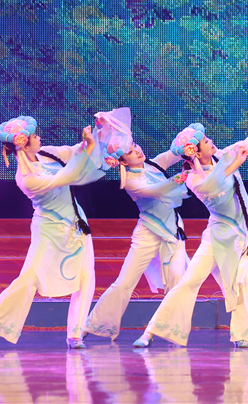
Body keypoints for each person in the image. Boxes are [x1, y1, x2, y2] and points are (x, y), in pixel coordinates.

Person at [133, 110, 248, 348]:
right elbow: (212, 185)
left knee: (244, 280)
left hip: (247, 230)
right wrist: (234, 164)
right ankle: (153, 330)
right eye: (206, 141)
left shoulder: (222, 156)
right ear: (196, 153)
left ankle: (242, 334)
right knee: (190, 280)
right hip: (217, 235)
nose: (211, 142)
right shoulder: (193, 179)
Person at [0, 116, 104, 350]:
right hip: (49, 229)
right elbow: (68, 176)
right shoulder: (27, 179)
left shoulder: (47, 153)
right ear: (23, 144)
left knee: (85, 276)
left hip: (75, 222)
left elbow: (73, 152)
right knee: (29, 278)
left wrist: (97, 134)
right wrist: (89, 147)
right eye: (34, 136)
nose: (39, 137)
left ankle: (75, 334)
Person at [83, 108, 190, 340]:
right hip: (148, 232)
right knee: (124, 283)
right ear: (122, 161)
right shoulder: (131, 182)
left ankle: (163, 331)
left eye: (135, 145)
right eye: (131, 151)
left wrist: (189, 138)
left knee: (177, 279)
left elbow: (175, 152)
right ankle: (94, 326)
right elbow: (156, 191)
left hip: (172, 230)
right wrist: (177, 180)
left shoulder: (154, 165)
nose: (138, 150)